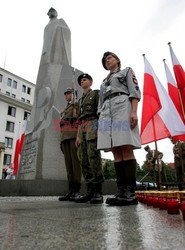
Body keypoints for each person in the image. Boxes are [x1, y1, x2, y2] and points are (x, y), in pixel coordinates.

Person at [98, 52, 141, 206]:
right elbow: (100, 101)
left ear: (117, 59)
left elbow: (134, 90)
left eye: (109, 57)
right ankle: (121, 191)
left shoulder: (126, 71)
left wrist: (134, 111)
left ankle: (130, 192)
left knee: (125, 146)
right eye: (105, 60)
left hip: (122, 105)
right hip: (105, 111)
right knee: (115, 150)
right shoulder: (103, 81)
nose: (107, 60)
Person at [75, 73, 104, 204]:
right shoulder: (80, 100)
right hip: (82, 127)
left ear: (90, 82)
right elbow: (79, 119)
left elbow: (100, 111)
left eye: (85, 79)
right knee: (83, 158)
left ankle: (98, 191)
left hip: (93, 123)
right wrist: (77, 135)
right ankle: (89, 190)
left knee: (93, 155)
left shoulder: (96, 93)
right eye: (81, 80)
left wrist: (99, 128)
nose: (82, 82)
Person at [58, 88, 81, 201]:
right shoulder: (65, 109)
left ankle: (77, 190)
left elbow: (78, 120)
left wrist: (78, 136)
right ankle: (71, 190)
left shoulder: (76, 105)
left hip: (73, 137)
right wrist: (60, 141)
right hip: (65, 138)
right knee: (68, 166)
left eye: (70, 94)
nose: (68, 95)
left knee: (75, 165)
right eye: (66, 94)